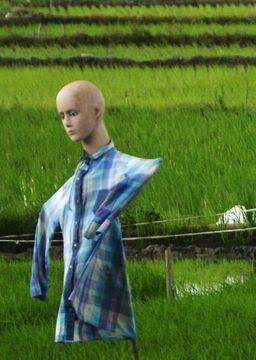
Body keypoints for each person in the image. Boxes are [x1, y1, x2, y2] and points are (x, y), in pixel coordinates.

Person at [30, 80, 161, 343]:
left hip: (105, 292)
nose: (67, 122)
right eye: (62, 116)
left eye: (73, 113)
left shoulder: (125, 168)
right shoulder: (74, 182)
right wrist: (39, 283)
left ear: (97, 112)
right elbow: (45, 214)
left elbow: (142, 171)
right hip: (75, 293)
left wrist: (99, 220)